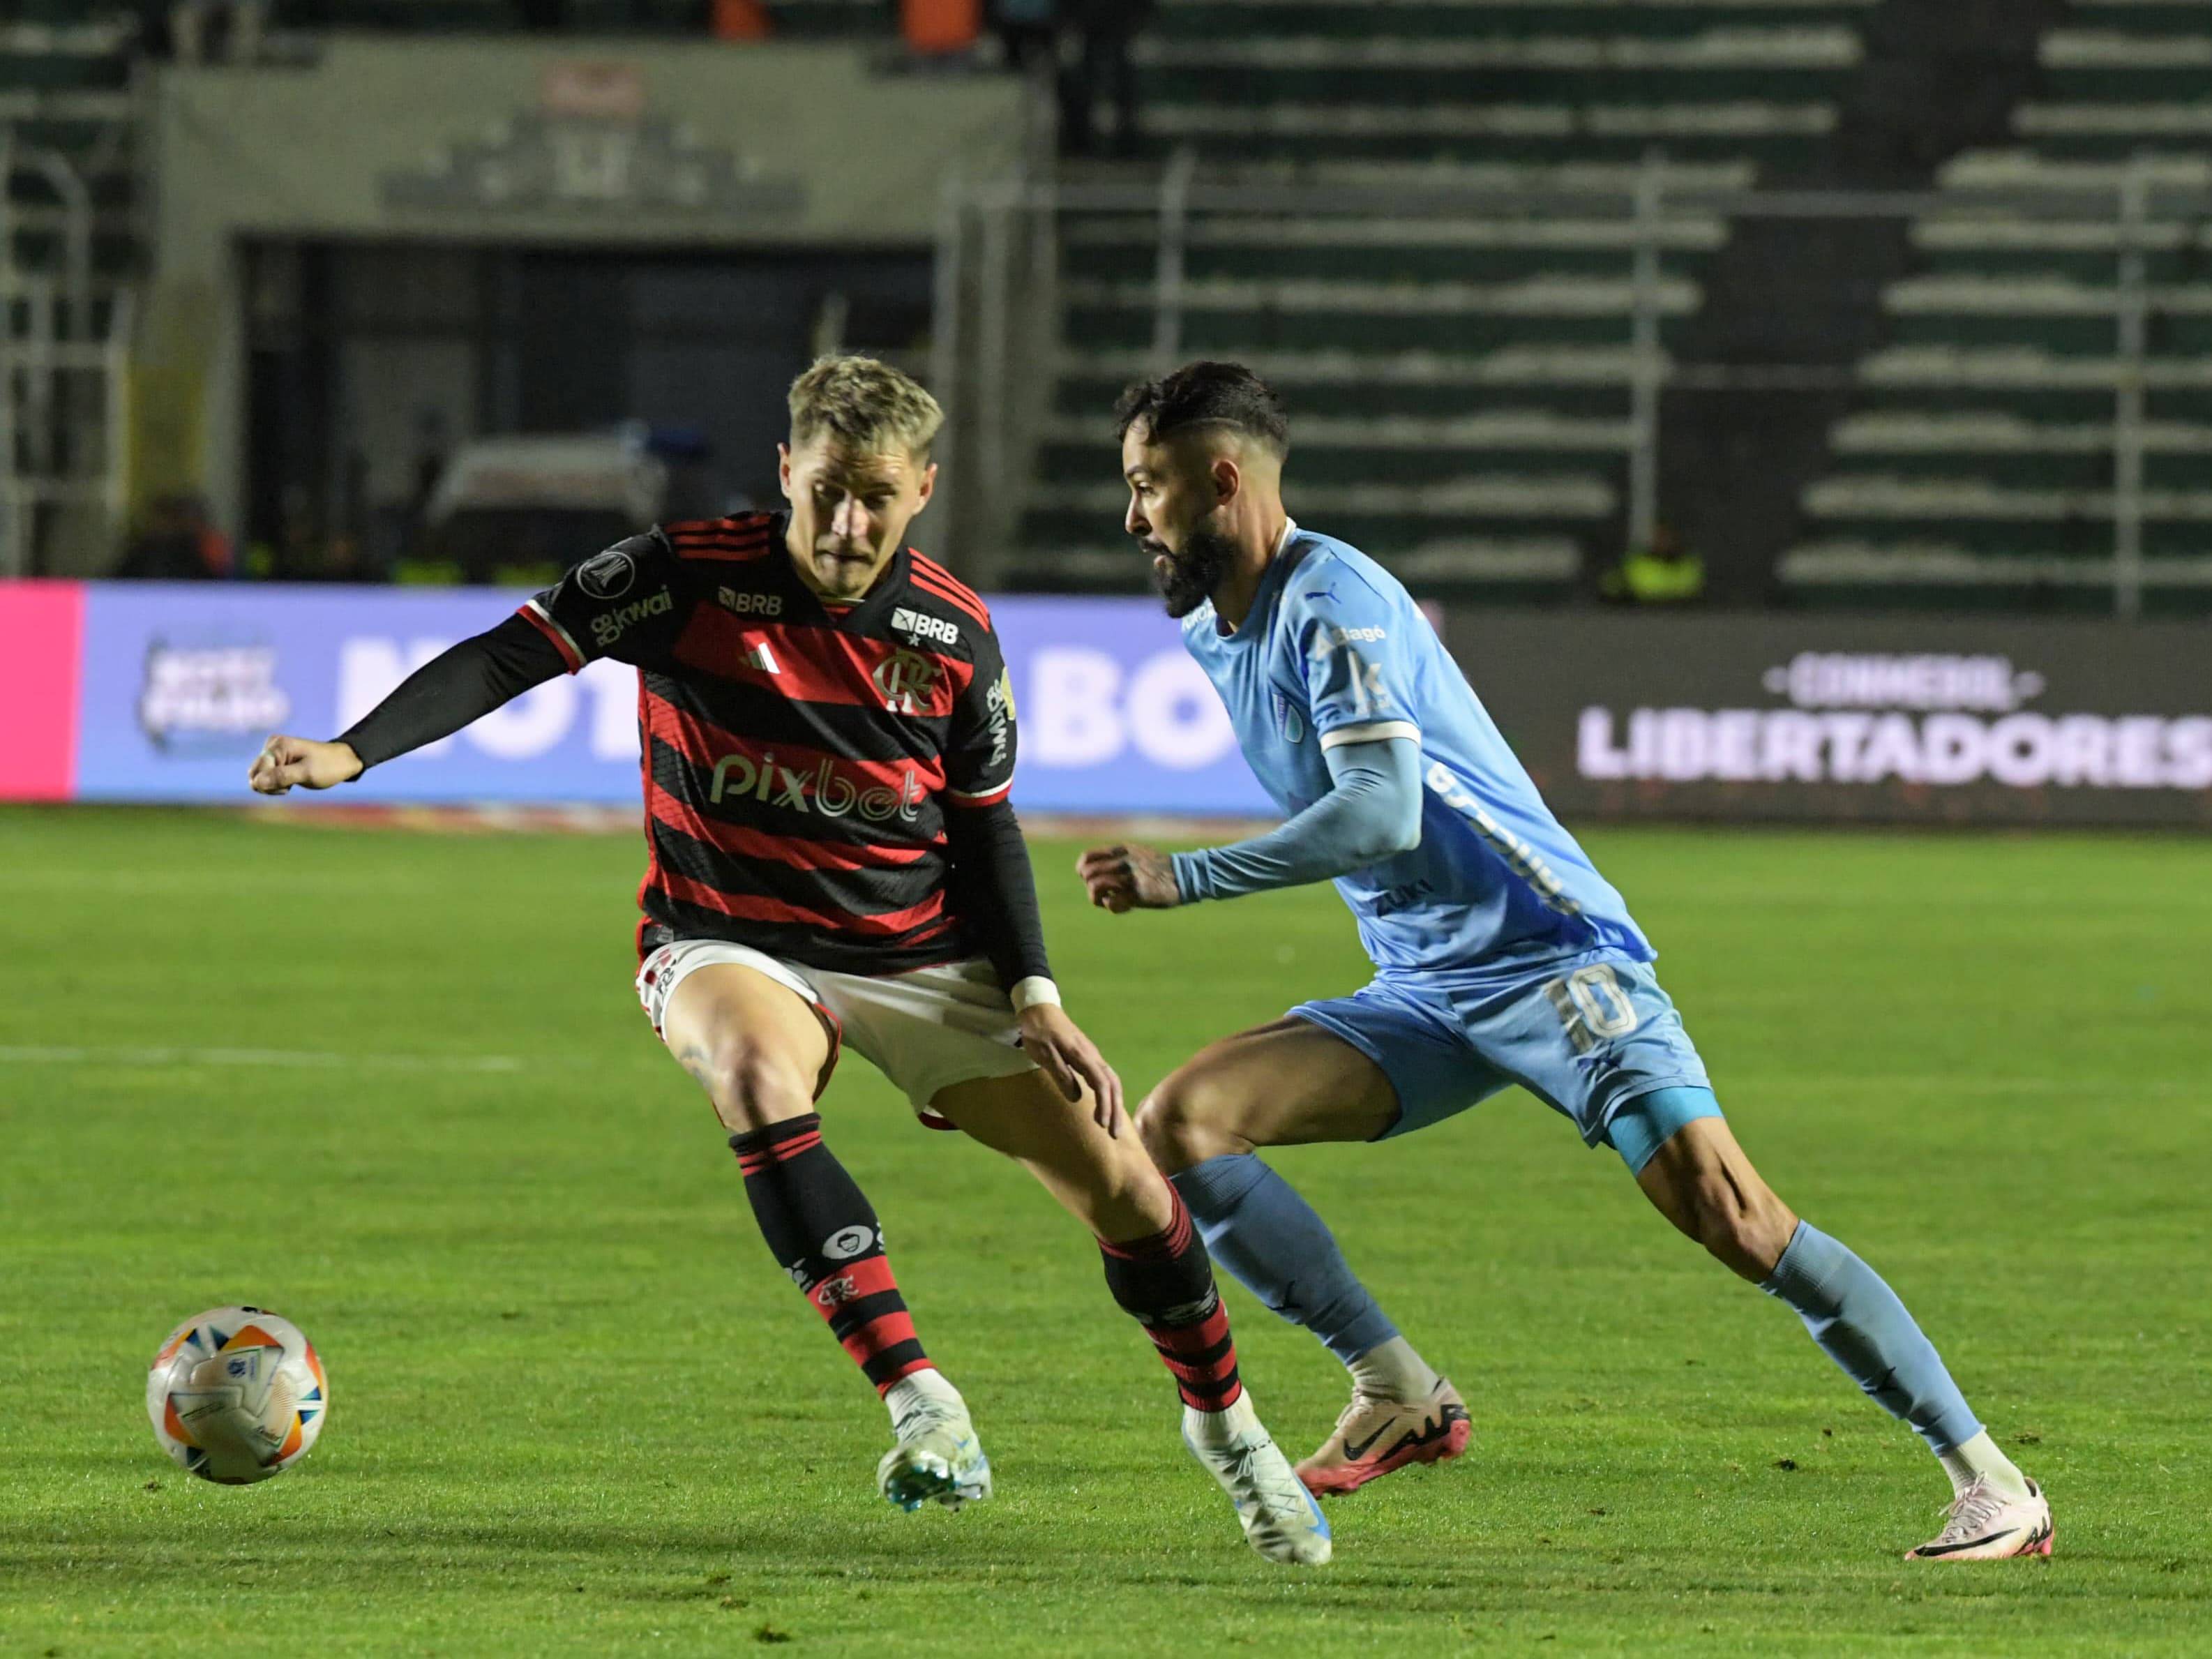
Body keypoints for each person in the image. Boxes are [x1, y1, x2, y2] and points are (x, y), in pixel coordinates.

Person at [246, 356, 1327, 1566]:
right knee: (755, 1073)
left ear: (922, 490)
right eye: (825, 491)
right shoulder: (681, 575)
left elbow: (984, 826)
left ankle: (1228, 1428)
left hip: (919, 955)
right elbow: (515, 652)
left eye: (876, 496)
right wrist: (352, 751)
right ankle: (922, 1402)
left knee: (1125, 1190)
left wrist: (1036, 995)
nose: (847, 523)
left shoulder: (953, 635)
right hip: (729, 937)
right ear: (784, 472)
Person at [1077, 360, 2054, 1562]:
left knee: (1732, 1213)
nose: (1133, 515)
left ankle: (1991, 1480)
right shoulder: (1211, 625)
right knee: (1182, 1125)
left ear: (1222, 480)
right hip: (1424, 986)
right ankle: (1396, 1387)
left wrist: (1188, 874)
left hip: (1550, 960)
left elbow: (1380, 809)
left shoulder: (1332, 600)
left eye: (1149, 485)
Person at [1601, 520, 1705, 605]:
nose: (1663, 542)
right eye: (1659, 537)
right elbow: (1611, 588)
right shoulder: (1634, 564)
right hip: (1639, 616)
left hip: (1681, 618)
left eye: (1666, 536)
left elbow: (1695, 593)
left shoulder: (1689, 566)